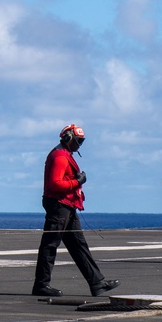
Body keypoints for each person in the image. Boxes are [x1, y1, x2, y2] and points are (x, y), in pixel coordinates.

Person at [32, 123, 120, 298]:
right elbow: (55, 184)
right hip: (59, 205)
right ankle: (41, 285)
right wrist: (77, 181)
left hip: (66, 205)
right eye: (78, 140)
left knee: (78, 245)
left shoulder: (64, 155)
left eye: (82, 141)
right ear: (68, 138)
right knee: (50, 244)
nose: (80, 144)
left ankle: (97, 283)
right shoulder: (60, 157)